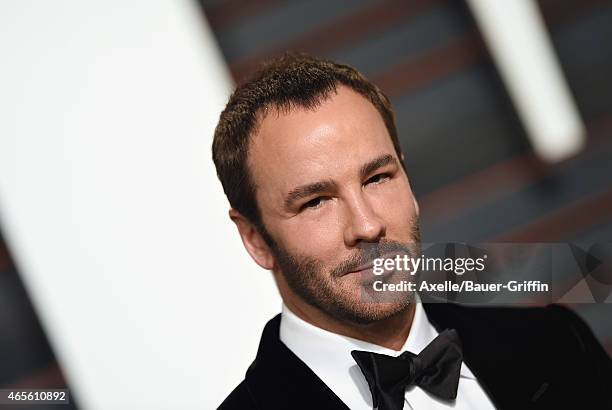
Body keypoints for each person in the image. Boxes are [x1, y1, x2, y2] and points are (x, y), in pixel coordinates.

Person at [212, 54, 611, 409]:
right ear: (255, 239)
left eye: (377, 178)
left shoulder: (557, 345)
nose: (367, 225)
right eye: (316, 201)